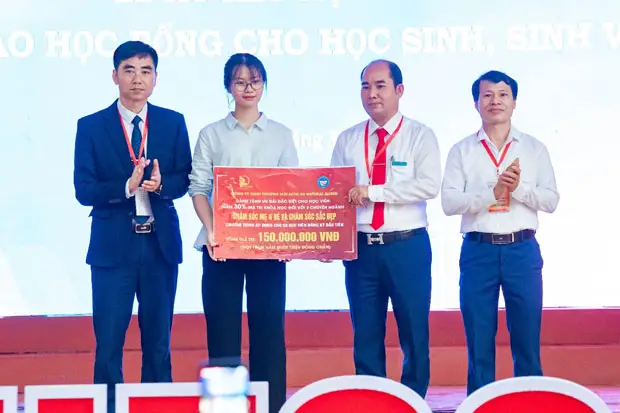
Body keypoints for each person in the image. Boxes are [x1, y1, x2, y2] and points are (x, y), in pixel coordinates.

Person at [73, 40, 192, 412]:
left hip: (159, 247)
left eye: (145, 71)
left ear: (156, 78)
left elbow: (185, 178)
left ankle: (157, 408)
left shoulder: (173, 122)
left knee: (158, 344)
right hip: (112, 251)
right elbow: (83, 189)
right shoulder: (91, 126)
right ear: (114, 76)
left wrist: (162, 185)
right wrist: (127, 186)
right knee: (109, 345)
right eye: (129, 70)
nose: (137, 79)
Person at [188, 52, 298, 413]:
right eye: (239, 81)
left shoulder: (281, 134)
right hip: (221, 247)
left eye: (255, 81)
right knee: (222, 335)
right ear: (228, 87)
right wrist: (212, 230)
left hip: (268, 249)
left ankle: (273, 406)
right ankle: (224, 407)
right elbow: (198, 188)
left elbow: (292, 191)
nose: (248, 88)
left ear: (264, 84)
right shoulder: (211, 133)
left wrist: (288, 236)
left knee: (269, 334)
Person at [441, 70, 560, 395]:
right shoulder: (462, 150)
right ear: (476, 103)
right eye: (487, 95)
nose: (495, 101)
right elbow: (449, 203)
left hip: (522, 251)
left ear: (514, 102)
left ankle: (531, 402)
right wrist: (491, 195)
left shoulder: (534, 149)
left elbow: (551, 201)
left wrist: (517, 188)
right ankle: (480, 403)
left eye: (503, 94)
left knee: (526, 339)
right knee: (479, 340)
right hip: (478, 251)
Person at [329, 59, 442, 398]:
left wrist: (374, 192)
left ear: (399, 90)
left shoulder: (420, 136)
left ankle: (414, 400)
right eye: (366, 86)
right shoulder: (348, 139)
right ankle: (372, 400)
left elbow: (428, 186)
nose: (372, 94)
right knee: (365, 333)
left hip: (406, 246)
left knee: (414, 331)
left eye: (380, 86)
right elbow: (335, 194)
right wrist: (329, 241)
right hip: (362, 249)